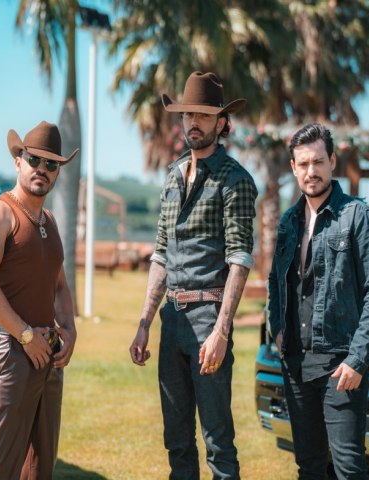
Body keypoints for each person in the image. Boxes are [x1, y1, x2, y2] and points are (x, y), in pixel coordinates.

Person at [129, 71, 258, 480]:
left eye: (203, 115)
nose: (193, 123)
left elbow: (239, 259)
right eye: (188, 115)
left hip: (208, 319)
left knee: (218, 443)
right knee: (177, 441)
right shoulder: (173, 176)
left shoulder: (235, 180)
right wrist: (144, 323)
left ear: (222, 122)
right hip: (172, 320)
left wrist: (221, 330)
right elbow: (160, 254)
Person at [267, 123, 369, 479]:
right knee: (308, 466)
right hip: (296, 363)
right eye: (304, 164)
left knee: (348, 467)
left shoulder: (359, 217)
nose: (312, 171)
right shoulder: (288, 222)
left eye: (318, 162)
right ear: (294, 167)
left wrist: (357, 360)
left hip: (340, 365)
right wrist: (278, 332)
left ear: (332, 162)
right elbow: (276, 283)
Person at [0, 121, 79, 480]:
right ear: (18, 161)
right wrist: (26, 336)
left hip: (48, 354)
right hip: (10, 351)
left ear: (57, 171)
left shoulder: (50, 220)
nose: (42, 169)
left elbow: (59, 285)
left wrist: (70, 329)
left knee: (39, 468)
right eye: (34, 160)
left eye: (51, 164)